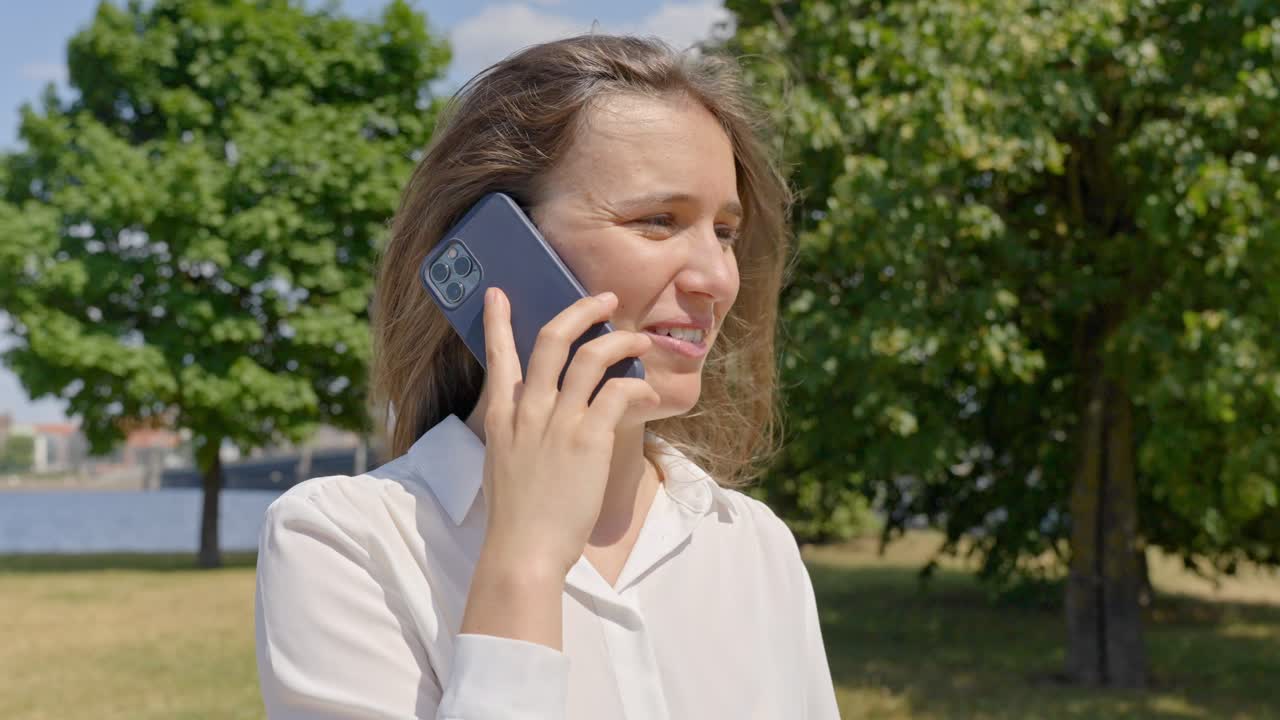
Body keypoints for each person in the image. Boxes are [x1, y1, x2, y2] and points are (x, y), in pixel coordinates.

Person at [254, 33, 841, 719]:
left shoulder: (752, 543)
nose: (716, 278)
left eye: (725, 232)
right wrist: (525, 562)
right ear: (497, 246)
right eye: (659, 220)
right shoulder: (344, 545)